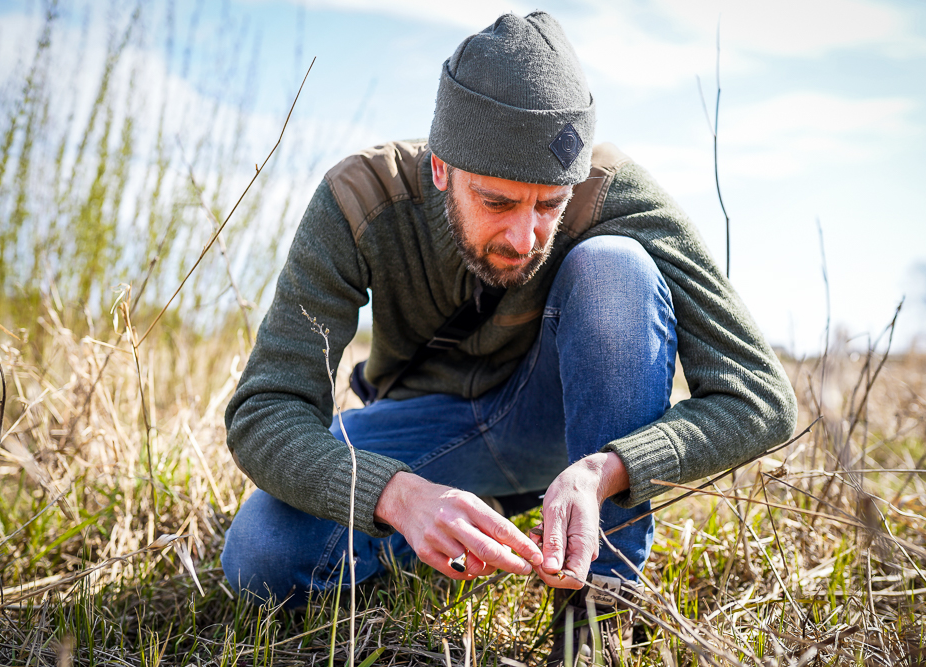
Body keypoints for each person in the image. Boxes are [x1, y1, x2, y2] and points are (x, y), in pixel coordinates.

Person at [221, 10, 796, 664]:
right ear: (441, 167)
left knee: (616, 269)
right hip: (424, 433)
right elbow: (264, 411)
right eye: (497, 202)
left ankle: (596, 614)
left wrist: (608, 469)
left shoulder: (616, 192)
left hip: (555, 431)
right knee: (260, 554)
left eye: (549, 204)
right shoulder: (359, 199)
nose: (525, 238)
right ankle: (447, 529)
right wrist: (397, 495)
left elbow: (761, 399)